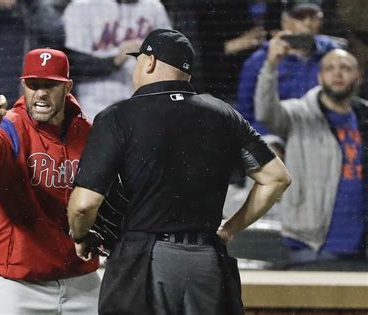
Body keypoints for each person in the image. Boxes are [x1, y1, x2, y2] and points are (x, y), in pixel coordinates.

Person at [67, 29, 291, 314]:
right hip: (207, 260)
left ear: (149, 61)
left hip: (143, 261)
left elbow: (83, 205)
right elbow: (277, 178)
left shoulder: (118, 117)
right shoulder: (222, 113)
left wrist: (79, 234)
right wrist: (229, 229)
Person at [0, 48, 99, 314]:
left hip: (81, 281)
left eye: (50, 85)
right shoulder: (9, 126)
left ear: (68, 87)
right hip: (19, 285)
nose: (41, 93)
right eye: (34, 85)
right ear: (24, 86)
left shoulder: (87, 132)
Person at [255, 47, 368, 268]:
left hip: (361, 246)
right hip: (312, 245)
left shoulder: (364, 117)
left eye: (345, 68)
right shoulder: (298, 114)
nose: (337, 74)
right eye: (330, 68)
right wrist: (270, 67)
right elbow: (265, 112)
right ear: (319, 76)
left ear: (358, 76)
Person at [237, 2, 339, 135]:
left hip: (320, 131)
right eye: (300, 17)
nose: (307, 23)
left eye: (313, 17)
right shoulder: (259, 60)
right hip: (275, 135)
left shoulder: (333, 54)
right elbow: (246, 112)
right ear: (285, 21)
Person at [62, 0, 172, 119]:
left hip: (143, 104)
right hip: (94, 107)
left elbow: (171, 56)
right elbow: (73, 63)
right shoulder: (81, 7)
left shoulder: (153, 7)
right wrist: (114, 61)